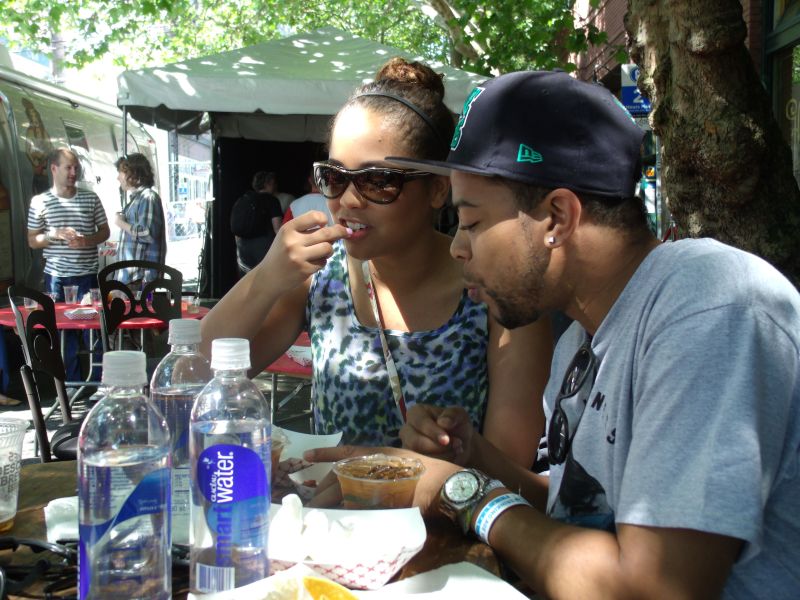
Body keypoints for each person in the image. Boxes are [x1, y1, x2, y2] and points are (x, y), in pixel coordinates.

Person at [305, 70, 800, 598]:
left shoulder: (710, 308)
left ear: (558, 217)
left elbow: (654, 588)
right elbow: (577, 514)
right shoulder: (579, 342)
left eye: (471, 222)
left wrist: (458, 491)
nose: (457, 247)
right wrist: (471, 459)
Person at [202, 58, 552, 467]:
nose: (348, 200)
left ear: (438, 189)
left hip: (451, 510)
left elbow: (511, 469)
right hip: (329, 508)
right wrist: (266, 277)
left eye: (378, 181)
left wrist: (416, 467)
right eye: (334, 177)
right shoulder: (321, 276)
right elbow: (199, 370)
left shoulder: (497, 292)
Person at [27, 148, 110, 380]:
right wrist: (53, 234)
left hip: (87, 276)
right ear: (54, 169)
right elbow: (32, 240)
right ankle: (70, 384)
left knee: (94, 331)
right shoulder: (40, 202)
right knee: (63, 333)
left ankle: (98, 383)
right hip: (56, 277)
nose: (74, 172)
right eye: (68, 168)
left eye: (76, 167)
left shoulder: (90, 198)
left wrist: (87, 240)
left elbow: (105, 231)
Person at [113, 153, 167, 284]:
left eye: (121, 172)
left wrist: (120, 223)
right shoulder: (138, 199)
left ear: (134, 174)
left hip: (140, 279)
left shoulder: (148, 197)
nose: (118, 177)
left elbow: (147, 234)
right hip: (132, 278)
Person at [230, 170, 283, 276]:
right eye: (273, 183)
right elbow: (277, 228)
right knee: (266, 279)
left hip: (243, 247)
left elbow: (236, 228)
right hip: (264, 246)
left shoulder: (243, 199)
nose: (275, 186)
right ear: (268, 184)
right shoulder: (272, 200)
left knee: (246, 280)